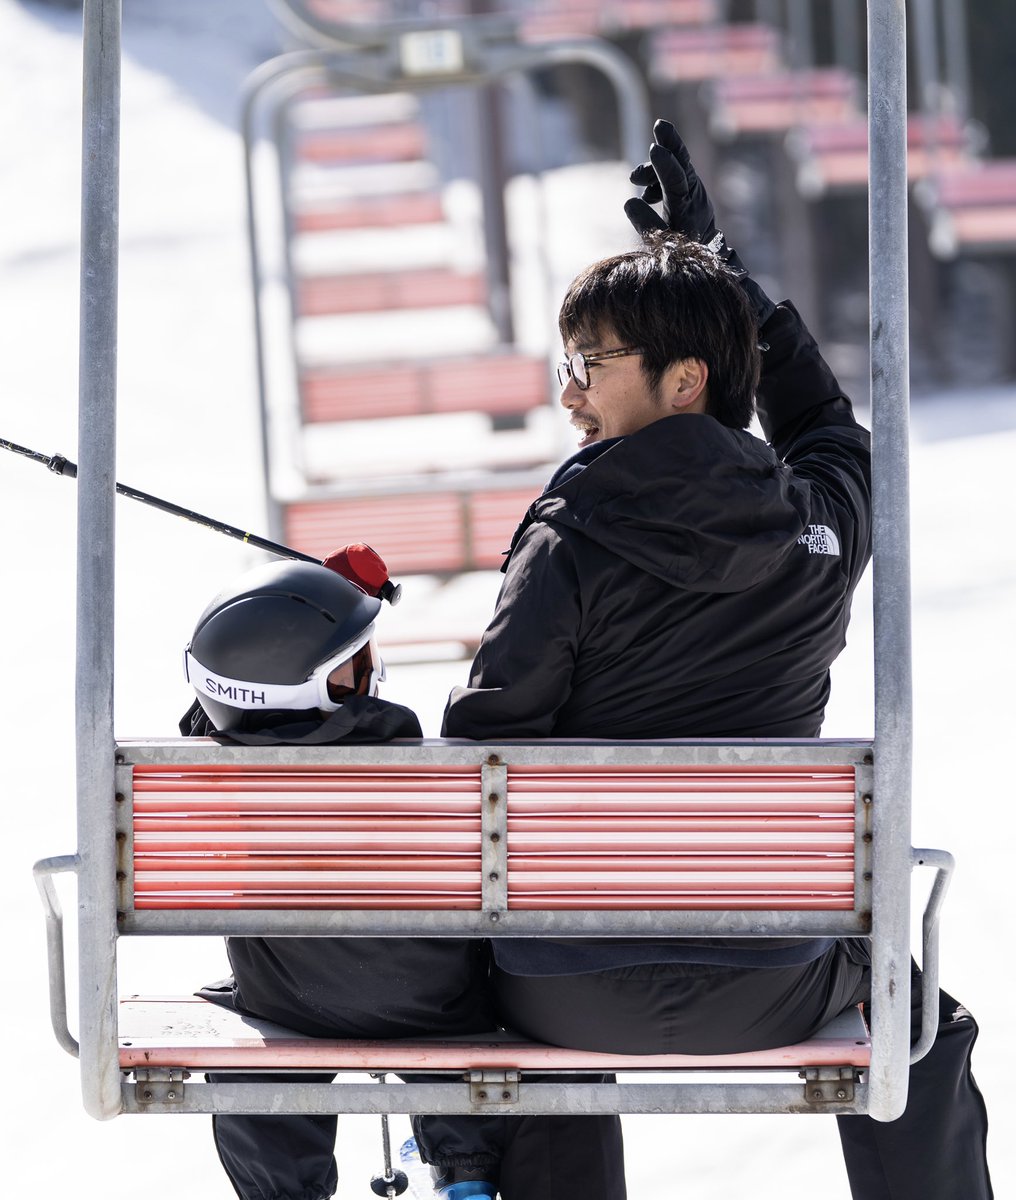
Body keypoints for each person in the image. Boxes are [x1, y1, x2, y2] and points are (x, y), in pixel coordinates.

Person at [414, 121, 993, 1199]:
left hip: (564, 991)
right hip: (774, 978)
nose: (568, 393)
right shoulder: (816, 532)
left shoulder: (564, 540)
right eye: (565, 364)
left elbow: (481, 761)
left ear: (682, 382)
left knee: (514, 1038)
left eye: (589, 366)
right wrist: (725, 274)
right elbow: (829, 431)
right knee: (914, 1022)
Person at [180, 548, 497, 1200]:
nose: (372, 669)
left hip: (287, 997)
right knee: (460, 1018)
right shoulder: (410, 762)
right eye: (359, 658)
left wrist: (294, 616)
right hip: (430, 1004)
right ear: (324, 684)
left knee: (254, 1054)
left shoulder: (206, 768)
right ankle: (466, 1173)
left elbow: (224, 700)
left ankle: (280, 1191)